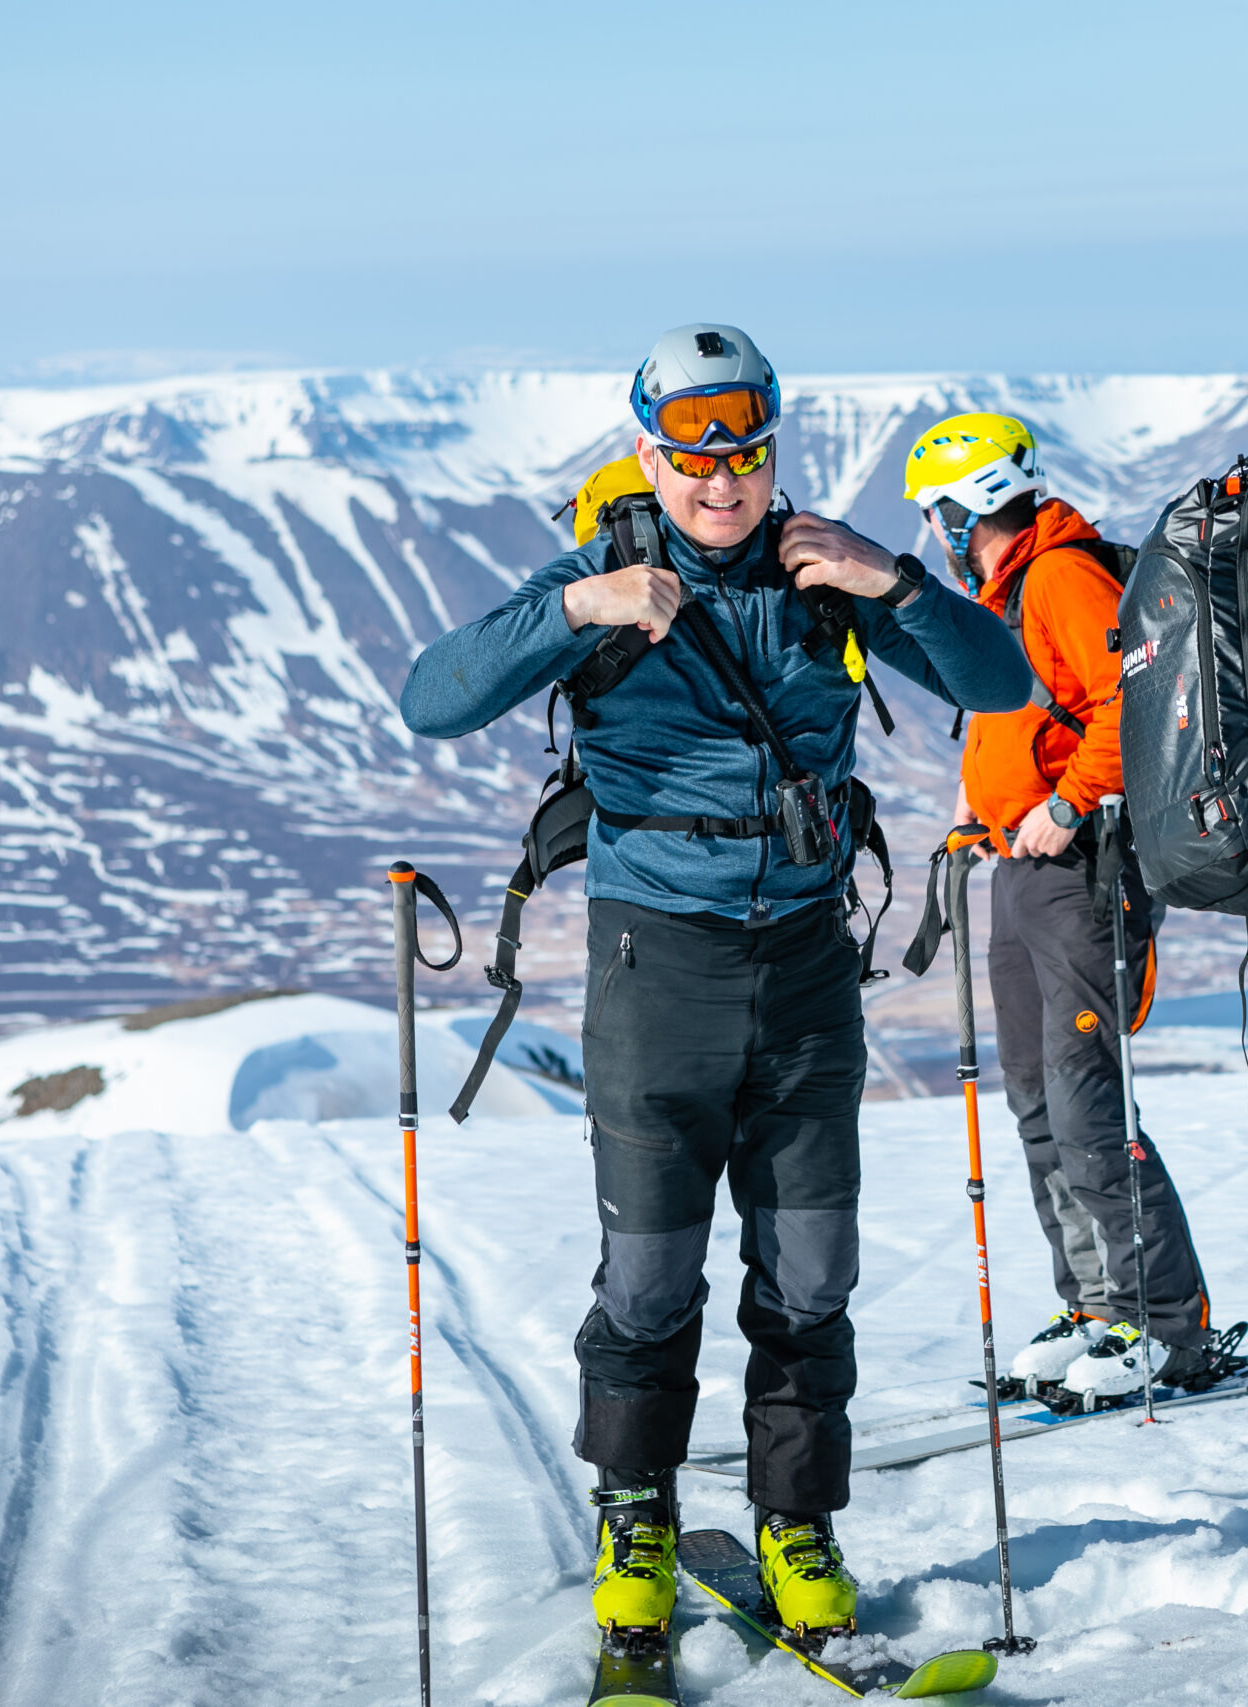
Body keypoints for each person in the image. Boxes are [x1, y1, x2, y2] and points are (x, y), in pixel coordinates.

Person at [400, 325, 1031, 1643]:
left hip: (804, 966)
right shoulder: (599, 576)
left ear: (772, 450)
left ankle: (797, 1523)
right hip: (657, 964)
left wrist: (893, 580)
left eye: (743, 453)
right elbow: (433, 697)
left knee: (811, 1273)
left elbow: (1001, 678)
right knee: (649, 1276)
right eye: (692, 456)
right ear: (651, 457)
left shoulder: (825, 572)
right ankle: (635, 1514)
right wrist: (578, 609)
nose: (721, 480)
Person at [902, 411, 1218, 1402]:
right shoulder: (1006, 595)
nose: (936, 531)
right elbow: (1020, 722)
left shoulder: (1058, 578)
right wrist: (981, 808)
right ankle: (1092, 1305)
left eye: (938, 511)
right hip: (1019, 864)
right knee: (1037, 1096)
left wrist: (1071, 802)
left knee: (1084, 1099)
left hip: (1082, 864)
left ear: (970, 505)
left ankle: (1163, 1322)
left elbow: (1131, 702)